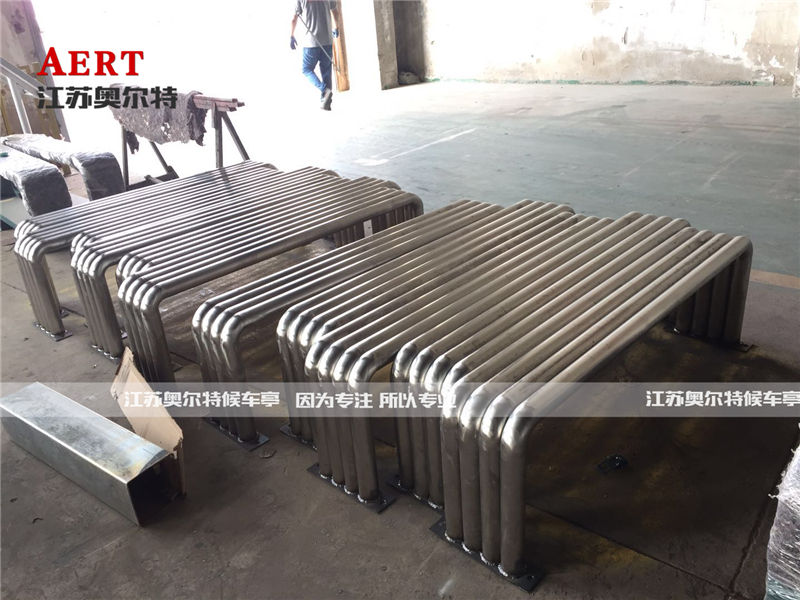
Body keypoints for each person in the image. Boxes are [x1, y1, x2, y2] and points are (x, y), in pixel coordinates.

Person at [291, 0, 339, 111]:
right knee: (326, 72)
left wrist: (291, 35)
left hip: (310, 42)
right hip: (327, 40)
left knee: (306, 69)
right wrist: (336, 28)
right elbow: (335, 12)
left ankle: (324, 90)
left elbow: (294, 19)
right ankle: (326, 102)